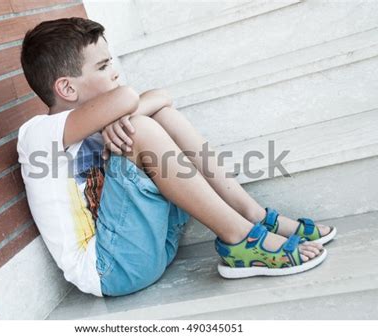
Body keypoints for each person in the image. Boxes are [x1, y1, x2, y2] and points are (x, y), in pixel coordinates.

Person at [17, 17, 336, 297]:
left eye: (111, 62)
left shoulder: (101, 122)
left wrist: (126, 115)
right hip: (111, 268)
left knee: (160, 114)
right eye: (103, 67)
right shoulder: (38, 135)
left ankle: (251, 214)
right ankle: (239, 240)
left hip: (155, 242)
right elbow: (127, 97)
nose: (115, 73)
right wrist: (128, 114)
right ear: (67, 89)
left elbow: (160, 96)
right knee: (139, 128)